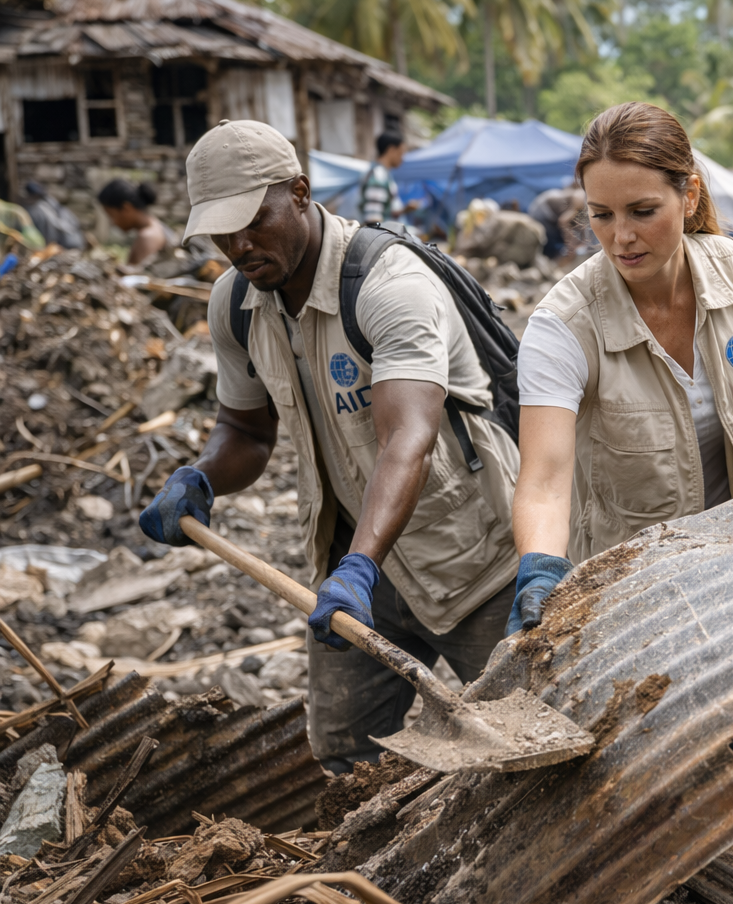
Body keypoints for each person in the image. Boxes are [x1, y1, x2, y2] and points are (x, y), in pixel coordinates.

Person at [137, 120, 521, 775]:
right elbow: (249, 434)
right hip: (354, 561)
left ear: (301, 192)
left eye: (255, 222)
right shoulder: (236, 303)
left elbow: (409, 438)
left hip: (474, 560)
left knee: (527, 739)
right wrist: (201, 477)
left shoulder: (387, 283)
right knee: (346, 755)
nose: (240, 245)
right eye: (222, 233)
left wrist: (360, 568)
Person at [512, 102, 733, 859]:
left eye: (643, 211)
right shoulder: (564, 324)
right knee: (642, 801)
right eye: (601, 215)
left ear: (689, 194)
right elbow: (546, 478)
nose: (622, 236)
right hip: (629, 596)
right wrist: (540, 569)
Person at [98, 179, 178, 265]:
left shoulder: (147, 237)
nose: (113, 223)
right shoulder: (157, 226)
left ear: (126, 209)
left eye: (112, 216)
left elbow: (137, 277)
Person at [360, 131, 406, 224]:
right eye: (401, 153)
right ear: (391, 150)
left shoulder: (384, 174)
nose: (402, 158)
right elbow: (373, 218)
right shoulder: (379, 176)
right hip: (379, 235)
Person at [23, 182, 84, 250]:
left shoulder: (42, 207)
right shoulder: (44, 204)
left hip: (67, 242)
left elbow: (55, 223)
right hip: (69, 240)